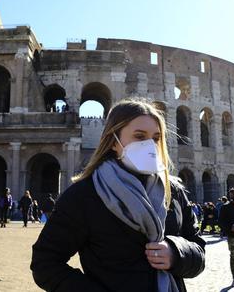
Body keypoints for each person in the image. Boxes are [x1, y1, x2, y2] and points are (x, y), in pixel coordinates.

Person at [31, 98, 206, 291]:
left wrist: (176, 252)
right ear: (114, 141)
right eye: (139, 136)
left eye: (156, 138)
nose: (150, 145)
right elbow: (45, 263)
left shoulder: (173, 191)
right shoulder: (84, 195)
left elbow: (198, 250)